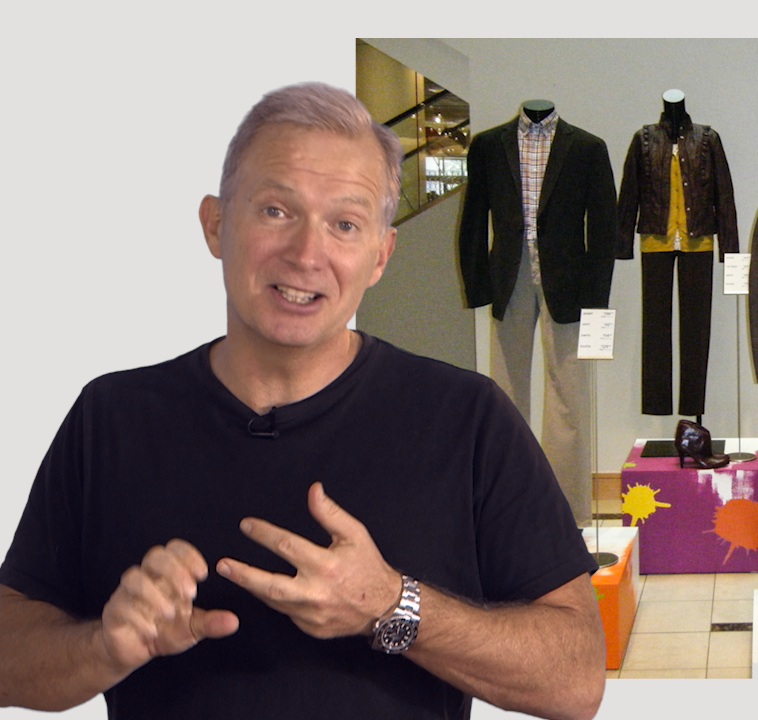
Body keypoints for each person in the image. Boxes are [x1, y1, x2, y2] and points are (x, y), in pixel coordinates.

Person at [0, 82, 605, 720]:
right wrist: (102, 647)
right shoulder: (112, 417)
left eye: (344, 224)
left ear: (379, 255)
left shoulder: (467, 418)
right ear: (215, 224)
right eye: (275, 210)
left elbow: (575, 678)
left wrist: (392, 605)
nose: (307, 254)